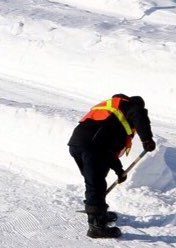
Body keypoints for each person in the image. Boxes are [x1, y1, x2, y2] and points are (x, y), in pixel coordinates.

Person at [67, 94, 156, 238]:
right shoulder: (131, 107)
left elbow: (109, 151)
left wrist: (119, 171)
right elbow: (139, 115)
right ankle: (96, 227)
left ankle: (98, 213)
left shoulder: (112, 113)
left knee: (96, 179)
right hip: (92, 146)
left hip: (78, 144)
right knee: (95, 183)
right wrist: (147, 140)